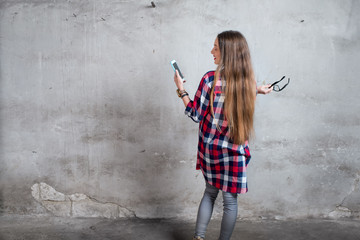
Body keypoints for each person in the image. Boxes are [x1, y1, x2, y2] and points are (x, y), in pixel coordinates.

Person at [173, 30, 272, 240]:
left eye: (216, 48)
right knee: (230, 202)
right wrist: (258, 90)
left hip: (211, 150)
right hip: (235, 151)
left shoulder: (210, 79)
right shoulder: (246, 82)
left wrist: (181, 90)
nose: (212, 51)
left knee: (209, 193)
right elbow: (236, 91)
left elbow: (196, 113)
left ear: (227, 52)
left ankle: (198, 238)